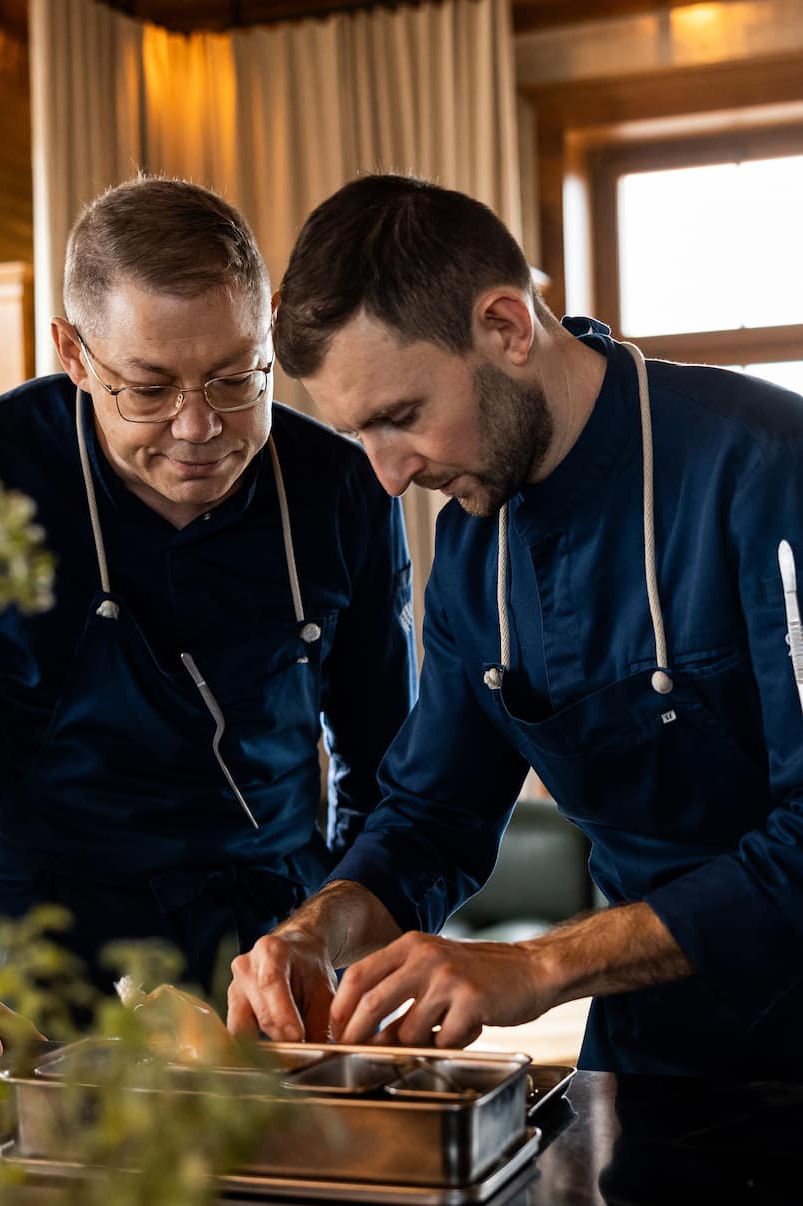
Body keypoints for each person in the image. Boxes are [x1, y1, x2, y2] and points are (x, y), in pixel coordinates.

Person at [227, 172, 803, 1080]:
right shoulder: (471, 551)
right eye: (359, 436)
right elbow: (429, 818)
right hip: (647, 1054)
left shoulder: (772, 469)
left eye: (401, 418)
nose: (384, 476)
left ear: (506, 327)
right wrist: (313, 932)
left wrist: (539, 964)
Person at [0, 176, 415, 1086]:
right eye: (148, 388)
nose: (199, 428)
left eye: (235, 377)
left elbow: (390, 770)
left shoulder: (342, 489)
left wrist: (353, 936)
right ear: (72, 352)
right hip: (40, 957)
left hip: (270, 950)